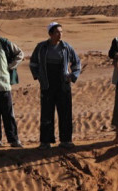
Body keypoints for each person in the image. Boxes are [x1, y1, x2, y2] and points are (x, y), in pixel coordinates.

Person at [29, 22, 81, 150]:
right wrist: (38, 76)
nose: (60, 34)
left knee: (65, 113)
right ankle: (45, 142)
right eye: (57, 32)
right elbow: (33, 63)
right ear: (50, 34)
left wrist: (72, 76)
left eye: (61, 32)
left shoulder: (66, 47)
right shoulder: (41, 47)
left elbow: (77, 63)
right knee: (46, 113)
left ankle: (66, 140)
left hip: (63, 85)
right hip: (47, 85)